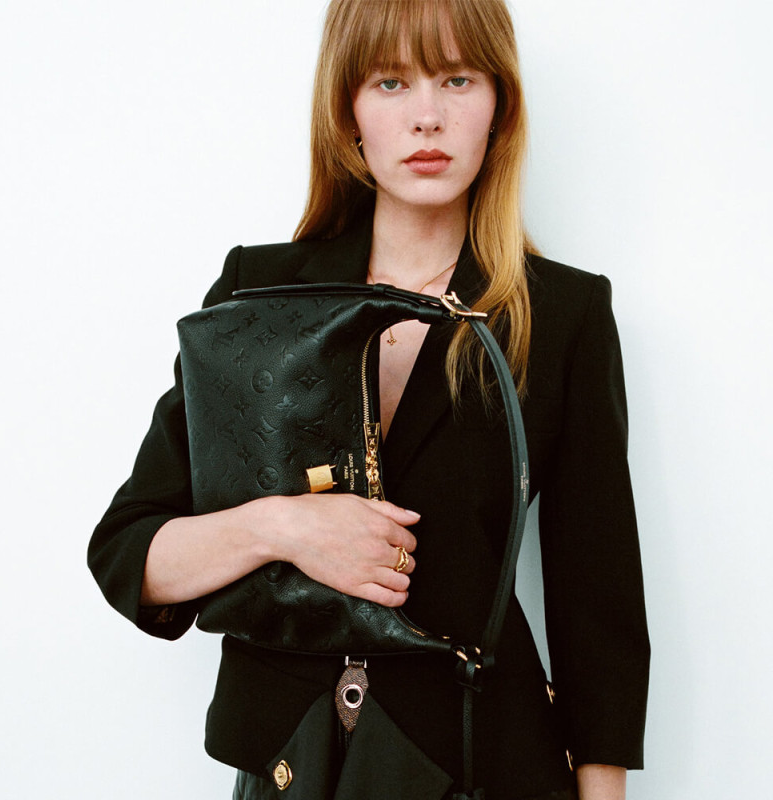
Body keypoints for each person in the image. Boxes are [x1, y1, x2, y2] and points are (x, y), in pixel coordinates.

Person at [88, 1, 650, 798]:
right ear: (348, 111)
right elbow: (129, 554)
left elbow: (599, 607)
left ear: (500, 105)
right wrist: (285, 528)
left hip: (477, 761)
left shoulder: (562, 313)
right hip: (292, 761)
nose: (427, 117)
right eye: (391, 82)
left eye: (458, 79)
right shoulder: (257, 292)